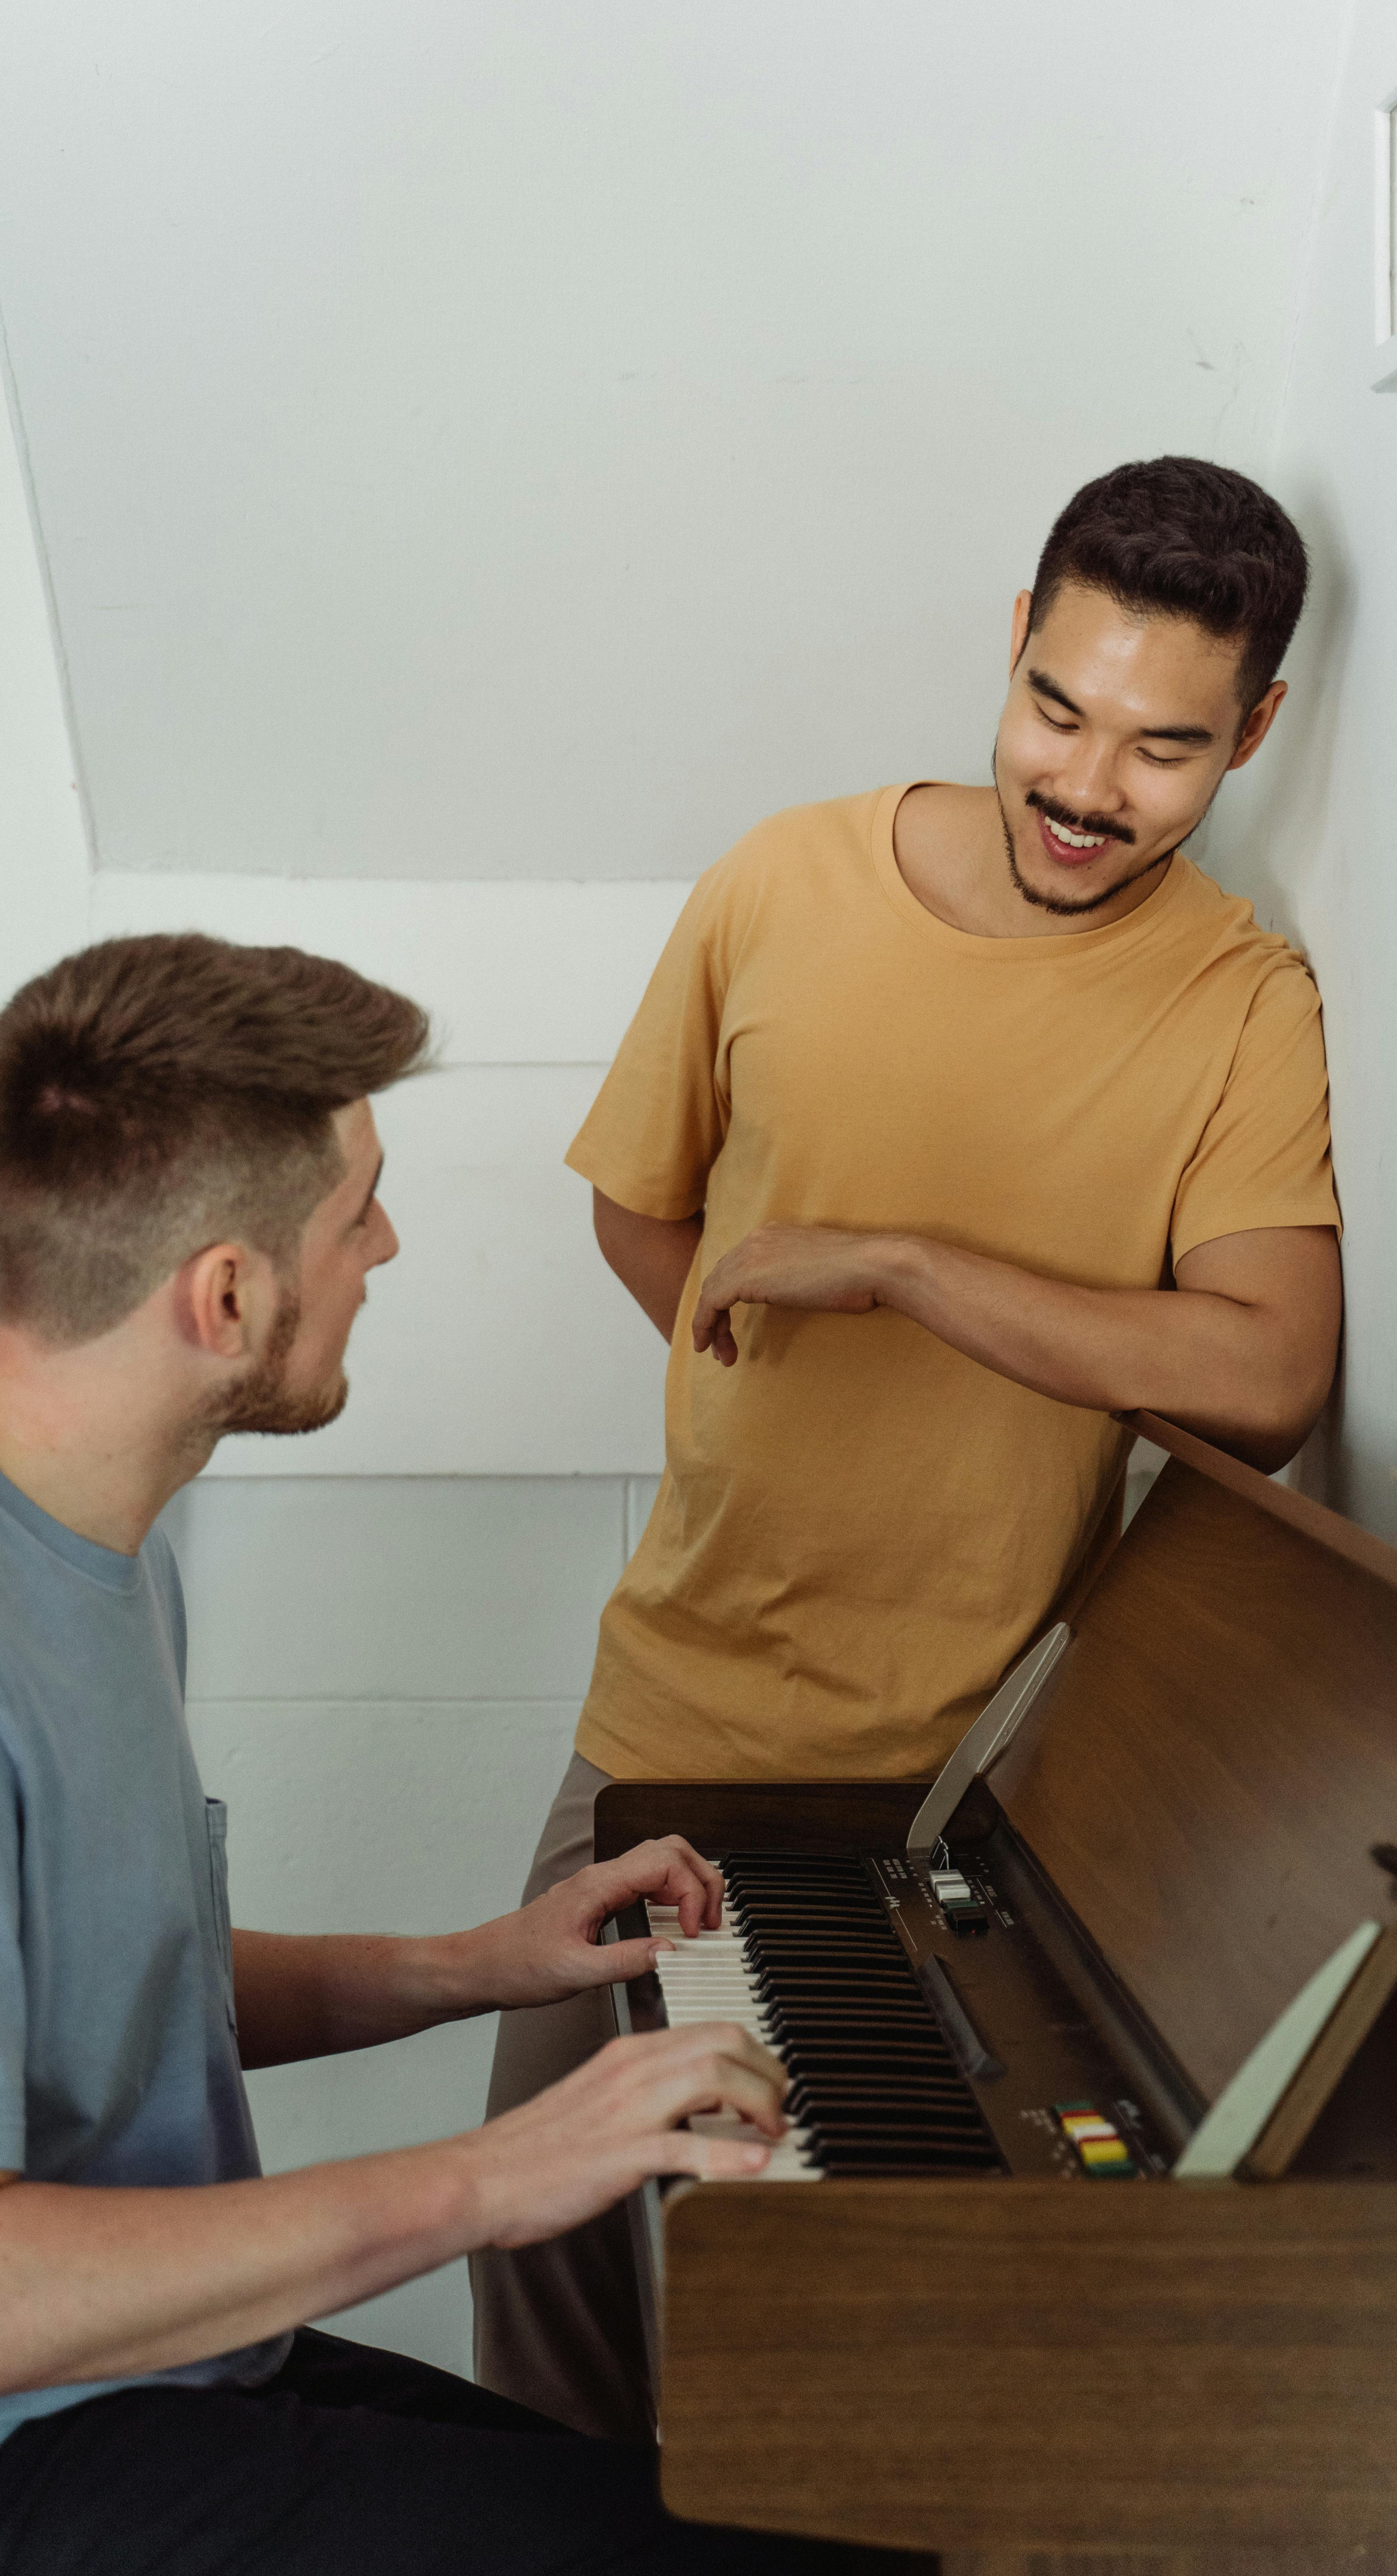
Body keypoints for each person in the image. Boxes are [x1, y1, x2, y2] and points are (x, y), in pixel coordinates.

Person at [0, 935, 900, 2576]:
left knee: (777, 2517)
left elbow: (87, 1995)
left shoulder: (78, 1544)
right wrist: (495, 2174)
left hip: (92, 2390)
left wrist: (478, 1964)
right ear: (229, 1294)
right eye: (358, 1213)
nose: (386, 1246)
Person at [473, 455, 1344, 2438]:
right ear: (1012, 642)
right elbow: (641, 1209)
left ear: (1258, 734)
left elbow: (1270, 1377)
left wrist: (907, 1273)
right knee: (545, 2288)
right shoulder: (779, 880)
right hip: (669, 1726)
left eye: (1159, 748)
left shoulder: (1241, 1003)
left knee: (847, 2384)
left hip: (972, 1792)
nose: (1082, 785)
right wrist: (767, 1387)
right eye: (1055, 707)